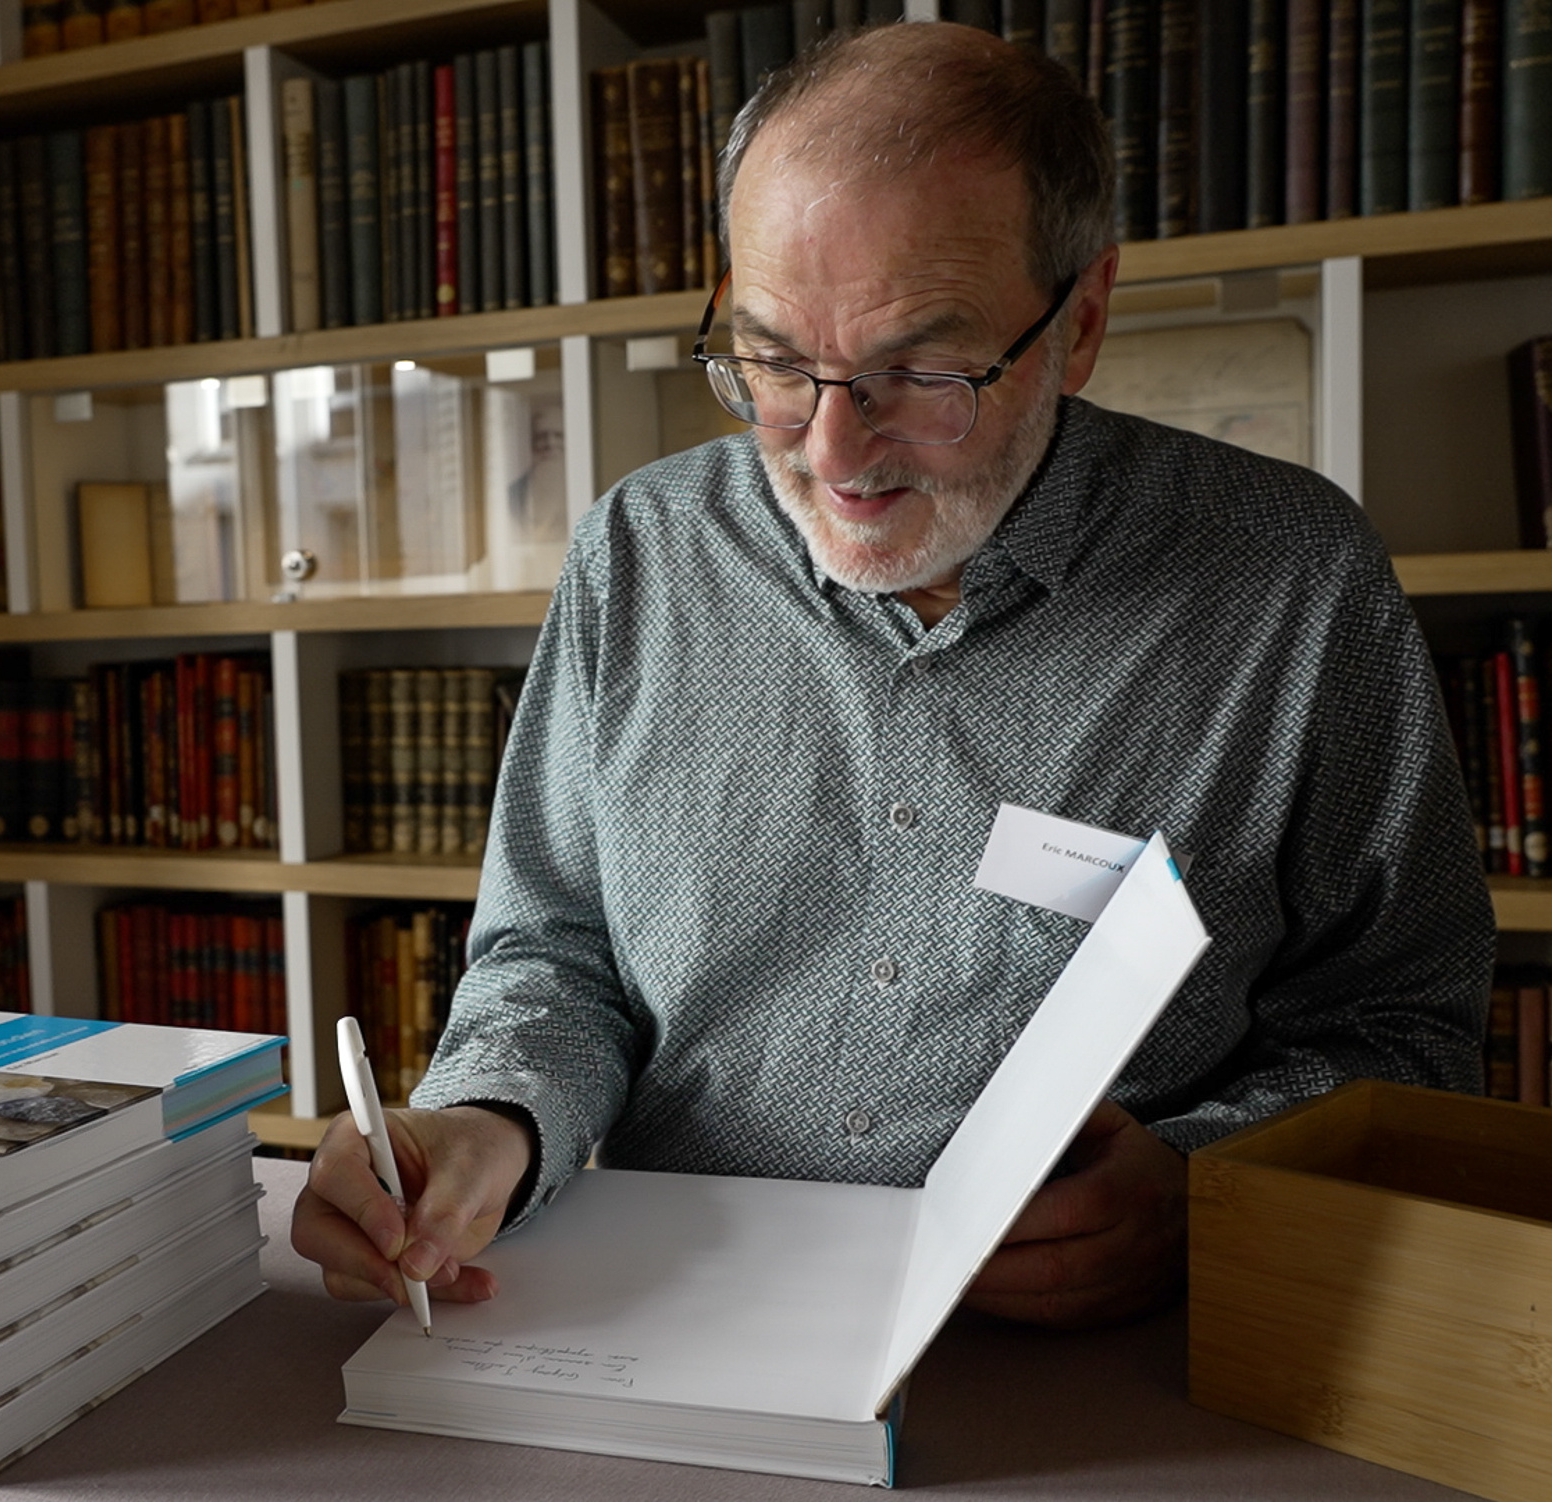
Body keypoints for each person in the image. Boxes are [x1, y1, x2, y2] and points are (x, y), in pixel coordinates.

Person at [292, 21, 1493, 1329]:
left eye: (919, 373)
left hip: (1107, 1359)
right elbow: (552, 953)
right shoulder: (639, 549)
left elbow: (1396, 1026)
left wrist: (1199, 1186)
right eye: (768, 358)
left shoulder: (1291, 577)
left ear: (1078, 322)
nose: (830, 448)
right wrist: (487, 1123)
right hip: (672, 1329)